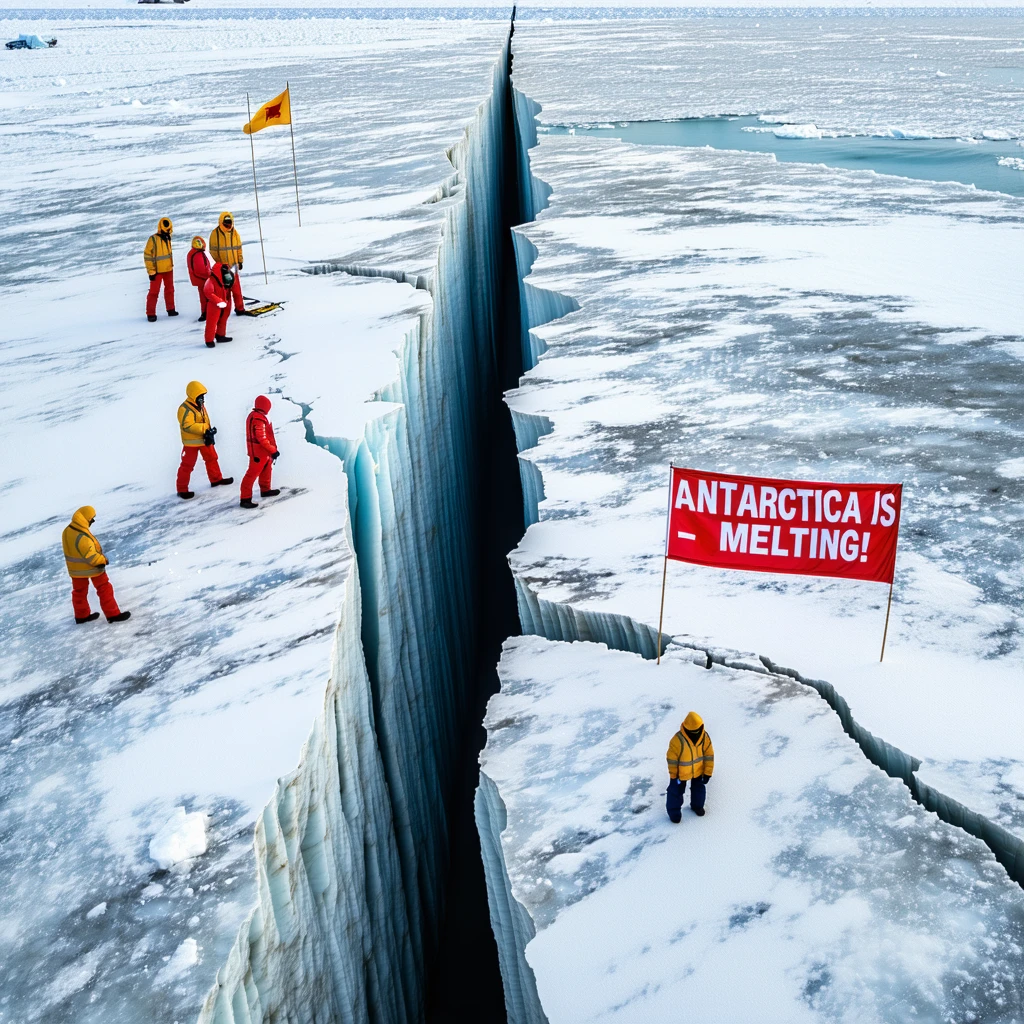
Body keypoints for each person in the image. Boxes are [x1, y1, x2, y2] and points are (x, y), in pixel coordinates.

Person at [62, 506, 131, 624]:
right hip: (92, 568)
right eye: (91, 519)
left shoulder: (67, 530)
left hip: (75, 570)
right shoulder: (82, 536)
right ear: (85, 518)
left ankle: (81, 616)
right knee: (104, 589)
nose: (92, 522)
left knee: (79, 592)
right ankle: (113, 614)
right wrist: (103, 560)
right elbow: (91, 556)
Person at [176, 381, 233, 499]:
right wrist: (205, 428)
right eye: (200, 396)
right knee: (187, 465)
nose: (202, 398)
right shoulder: (184, 409)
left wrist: (209, 431)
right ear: (193, 395)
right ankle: (182, 489)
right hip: (191, 443)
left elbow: (205, 420)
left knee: (212, 458)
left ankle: (216, 479)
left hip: (204, 439)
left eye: (203, 396)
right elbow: (187, 425)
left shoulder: (201, 406)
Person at [665, 711, 714, 823]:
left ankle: (697, 806)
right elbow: (671, 760)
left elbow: (709, 755)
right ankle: (674, 813)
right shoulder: (677, 740)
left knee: (699, 789)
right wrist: (674, 775)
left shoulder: (705, 737)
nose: (696, 733)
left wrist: (707, 772)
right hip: (680, 774)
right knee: (675, 792)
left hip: (698, 770)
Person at [240, 395, 280, 509]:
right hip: (258, 452)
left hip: (264, 452)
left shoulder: (259, 416)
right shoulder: (258, 419)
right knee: (252, 474)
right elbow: (261, 438)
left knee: (267, 470)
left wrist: (272, 450)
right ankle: (245, 499)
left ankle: (265, 490)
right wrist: (273, 450)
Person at [208, 211, 245, 314]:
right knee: (225, 291)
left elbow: (238, 249)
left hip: (234, 267)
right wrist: (220, 265)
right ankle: (224, 310)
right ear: (222, 222)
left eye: (230, 222)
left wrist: (240, 261)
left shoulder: (235, 233)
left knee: (237, 290)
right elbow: (213, 252)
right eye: (226, 223)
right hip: (223, 269)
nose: (228, 225)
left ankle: (240, 308)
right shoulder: (215, 234)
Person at [144, 217, 178, 322]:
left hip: (168, 269)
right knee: (154, 292)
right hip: (157, 271)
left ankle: (171, 309)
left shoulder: (168, 237)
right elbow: (147, 256)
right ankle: (151, 313)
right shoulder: (153, 239)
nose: (167, 231)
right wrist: (151, 271)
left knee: (170, 290)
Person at [202, 264, 235, 348]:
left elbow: (230, 285)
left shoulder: (226, 276)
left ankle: (220, 335)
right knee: (212, 322)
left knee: (223, 319)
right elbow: (208, 292)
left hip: (224, 302)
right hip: (214, 304)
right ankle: (209, 340)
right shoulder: (211, 280)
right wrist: (218, 301)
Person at [187, 236, 212, 322]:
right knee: (206, 296)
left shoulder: (194, 253)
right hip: (203, 279)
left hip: (200, 279)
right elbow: (200, 270)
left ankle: (206, 312)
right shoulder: (197, 255)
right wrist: (209, 276)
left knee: (204, 296)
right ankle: (206, 313)